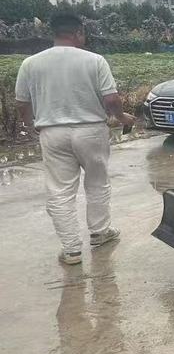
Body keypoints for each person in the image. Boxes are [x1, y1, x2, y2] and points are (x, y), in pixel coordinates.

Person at [15, 13, 136, 265]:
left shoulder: (31, 63)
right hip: (91, 130)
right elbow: (111, 99)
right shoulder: (95, 60)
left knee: (60, 191)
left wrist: (29, 124)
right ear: (78, 32)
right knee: (97, 182)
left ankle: (71, 250)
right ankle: (100, 233)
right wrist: (121, 116)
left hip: (52, 132)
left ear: (55, 33)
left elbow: (22, 103)